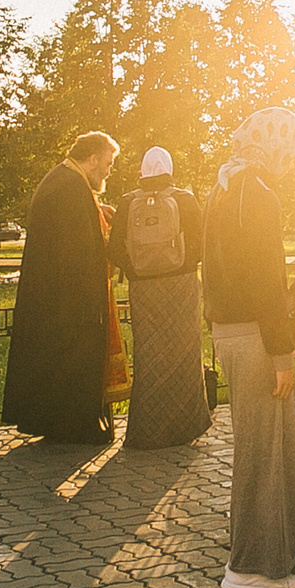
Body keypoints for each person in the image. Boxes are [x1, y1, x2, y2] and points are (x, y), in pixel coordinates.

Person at [205, 110, 295, 588]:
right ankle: (251, 566)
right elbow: (269, 281)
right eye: (294, 151)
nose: (294, 162)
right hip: (254, 336)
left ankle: (275, 552)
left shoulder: (225, 188)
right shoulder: (259, 195)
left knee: (265, 445)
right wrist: (282, 353)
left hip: (230, 330)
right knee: (262, 452)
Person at [3, 132, 124, 443]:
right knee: (70, 362)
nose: (108, 171)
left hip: (56, 297)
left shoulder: (66, 180)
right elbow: (79, 248)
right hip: (69, 302)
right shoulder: (70, 187)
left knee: (54, 363)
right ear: (93, 158)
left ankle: (61, 424)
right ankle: (75, 427)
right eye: (107, 164)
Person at [109, 146, 209, 450]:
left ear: (142, 170)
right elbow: (201, 244)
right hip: (181, 286)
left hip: (143, 289)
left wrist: (137, 269)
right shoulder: (185, 199)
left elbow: (114, 249)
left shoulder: (127, 202)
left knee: (150, 356)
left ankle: (147, 431)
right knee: (184, 353)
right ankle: (185, 427)